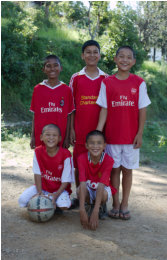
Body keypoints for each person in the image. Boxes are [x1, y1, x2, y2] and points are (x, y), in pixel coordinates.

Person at [96, 46, 151, 220]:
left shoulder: (139, 82)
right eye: (121, 56)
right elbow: (104, 109)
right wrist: (98, 132)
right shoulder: (107, 82)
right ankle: (116, 203)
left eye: (129, 57)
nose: (125, 60)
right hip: (112, 136)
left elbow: (142, 110)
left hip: (131, 137)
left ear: (133, 61)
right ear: (115, 59)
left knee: (127, 170)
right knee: (114, 170)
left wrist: (140, 133)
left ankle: (125, 203)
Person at [69, 40, 108, 208]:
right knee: (79, 164)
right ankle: (81, 196)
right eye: (88, 52)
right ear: (82, 55)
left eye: (95, 52)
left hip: (100, 132)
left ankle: (100, 200)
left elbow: (107, 108)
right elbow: (71, 107)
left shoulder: (106, 78)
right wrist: (71, 129)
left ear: (99, 55)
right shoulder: (76, 78)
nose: (92, 55)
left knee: (98, 164)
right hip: (80, 130)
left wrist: (102, 131)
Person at [18, 124, 74, 210]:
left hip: (58, 190)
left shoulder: (66, 154)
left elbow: (66, 180)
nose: (51, 138)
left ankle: (52, 203)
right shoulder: (38, 151)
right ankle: (48, 203)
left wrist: (56, 194)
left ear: (59, 138)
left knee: (64, 205)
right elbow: (37, 173)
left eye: (54, 135)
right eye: (47, 135)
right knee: (22, 201)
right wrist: (40, 193)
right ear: (41, 137)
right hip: (42, 188)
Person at [30, 54, 75, 149]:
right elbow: (35, 114)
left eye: (55, 65)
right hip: (41, 137)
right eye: (48, 66)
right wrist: (32, 136)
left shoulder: (66, 90)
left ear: (61, 68)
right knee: (42, 161)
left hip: (60, 137)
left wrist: (66, 137)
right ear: (43, 69)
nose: (52, 69)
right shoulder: (38, 89)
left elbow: (69, 115)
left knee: (59, 162)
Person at [77, 130, 116, 230]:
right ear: (86, 145)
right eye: (92, 143)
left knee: (103, 194)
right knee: (79, 191)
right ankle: (88, 206)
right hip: (89, 187)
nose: (95, 146)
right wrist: (81, 209)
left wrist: (95, 212)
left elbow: (102, 184)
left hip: (101, 189)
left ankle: (99, 207)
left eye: (99, 143)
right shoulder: (81, 158)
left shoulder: (108, 160)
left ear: (104, 146)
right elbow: (82, 183)